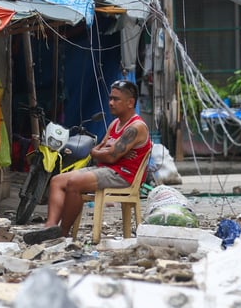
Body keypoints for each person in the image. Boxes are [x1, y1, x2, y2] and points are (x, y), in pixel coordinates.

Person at [25, 80, 151, 244]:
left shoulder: (136, 127)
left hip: (123, 175)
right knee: (56, 181)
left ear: (130, 102)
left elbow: (111, 157)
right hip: (106, 169)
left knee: (75, 183)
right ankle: (50, 227)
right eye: (110, 98)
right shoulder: (115, 124)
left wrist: (107, 152)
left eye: (116, 99)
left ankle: (63, 232)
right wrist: (104, 152)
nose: (111, 103)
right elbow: (97, 150)